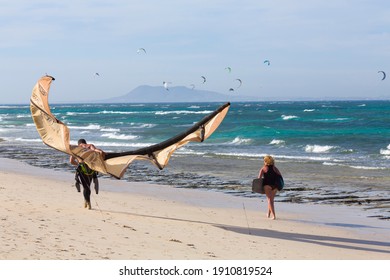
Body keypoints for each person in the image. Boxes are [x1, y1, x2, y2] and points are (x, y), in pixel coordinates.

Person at [69, 139, 101, 210]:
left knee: (85, 187)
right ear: (85, 142)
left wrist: (78, 163)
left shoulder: (76, 148)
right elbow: (95, 151)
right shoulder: (90, 145)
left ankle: (87, 202)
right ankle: (87, 201)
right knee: (88, 186)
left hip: (82, 169)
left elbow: (71, 161)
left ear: (79, 144)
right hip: (90, 168)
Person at [258, 155, 283, 220]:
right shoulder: (275, 168)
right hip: (275, 186)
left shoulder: (263, 168)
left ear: (265, 161)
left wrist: (259, 187)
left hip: (267, 186)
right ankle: (268, 214)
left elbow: (259, 179)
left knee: (270, 200)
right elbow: (280, 177)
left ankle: (274, 216)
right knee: (271, 200)